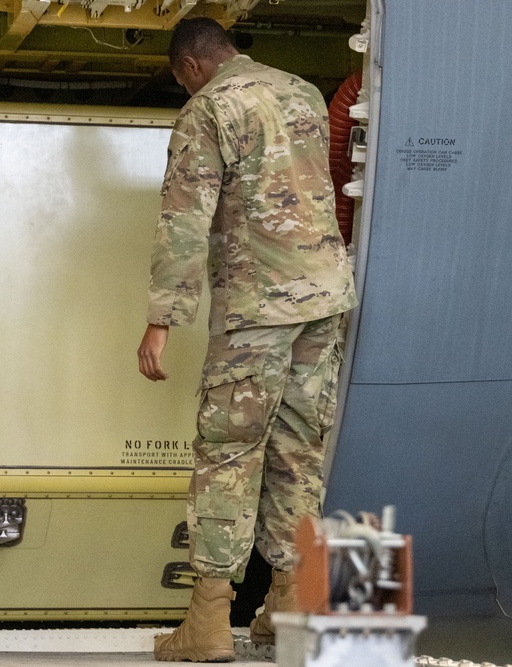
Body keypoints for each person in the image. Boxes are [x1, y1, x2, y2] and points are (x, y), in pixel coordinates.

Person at [137, 18, 357, 663]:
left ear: (191, 68)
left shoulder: (207, 109)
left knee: (229, 452)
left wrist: (161, 319)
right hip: (323, 300)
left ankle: (207, 621)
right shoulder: (303, 92)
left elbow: (183, 219)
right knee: (298, 451)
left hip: (257, 306)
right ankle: (288, 606)